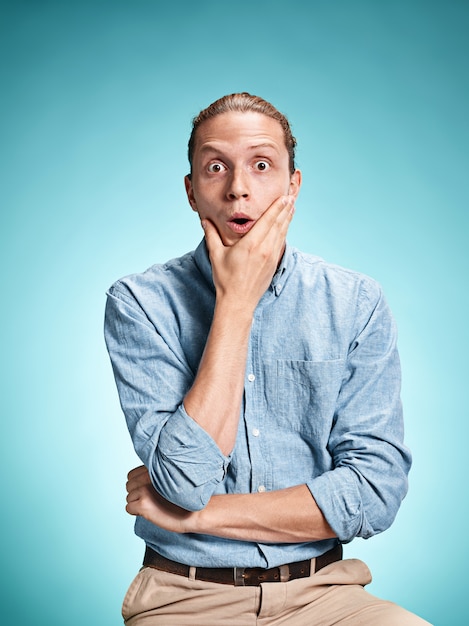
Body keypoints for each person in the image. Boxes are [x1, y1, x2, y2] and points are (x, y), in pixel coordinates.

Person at [104, 93, 431, 625]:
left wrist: (195, 516)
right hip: (185, 598)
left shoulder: (355, 302)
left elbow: (374, 492)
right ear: (191, 192)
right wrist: (235, 303)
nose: (239, 186)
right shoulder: (140, 303)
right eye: (216, 167)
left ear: (292, 186)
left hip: (325, 593)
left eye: (261, 164)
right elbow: (184, 480)